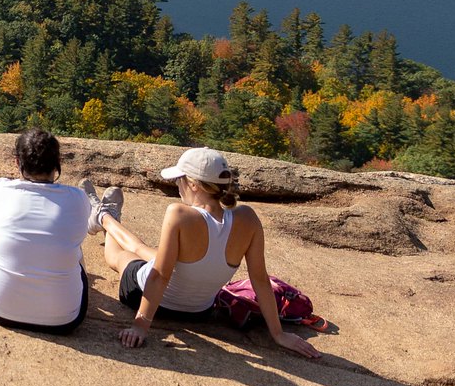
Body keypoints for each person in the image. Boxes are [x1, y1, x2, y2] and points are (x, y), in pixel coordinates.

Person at [96, 146, 321, 359]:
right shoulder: (248, 218)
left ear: (194, 185)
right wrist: (279, 335)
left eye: (179, 179)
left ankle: (104, 217)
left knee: (125, 256)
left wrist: (141, 325)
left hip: (143, 297)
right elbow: (261, 280)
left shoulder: (179, 214)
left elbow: (160, 275)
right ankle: (106, 215)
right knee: (149, 252)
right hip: (199, 312)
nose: (177, 185)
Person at [0, 128, 94, 334]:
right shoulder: (78, 198)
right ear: (57, 164)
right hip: (64, 319)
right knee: (72, 239)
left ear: (17, 162)